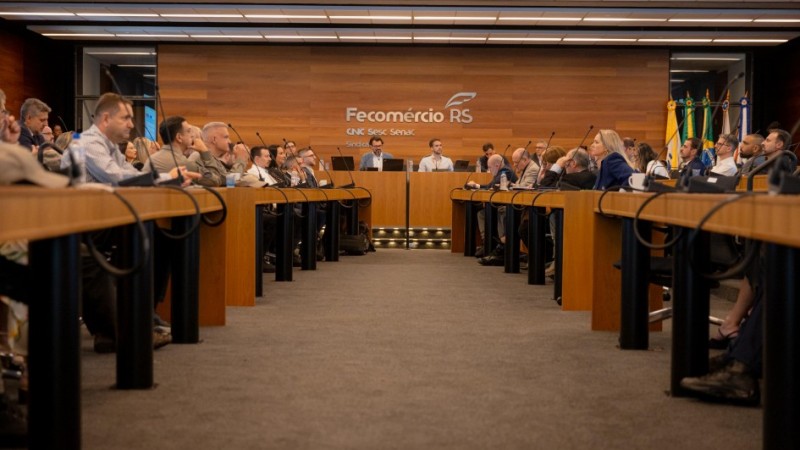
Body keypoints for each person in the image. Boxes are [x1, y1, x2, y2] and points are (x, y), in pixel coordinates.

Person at [62, 93, 195, 185]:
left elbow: (130, 172)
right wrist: (167, 177)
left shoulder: (110, 145)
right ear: (106, 119)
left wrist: (170, 180)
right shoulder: (88, 142)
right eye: (125, 118)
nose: (131, 125)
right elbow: (117, 177)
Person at [467, 154, 517, 266]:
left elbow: (492, 186)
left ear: (497, 165)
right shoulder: (501, 172)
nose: (489, 170)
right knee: (481, 213)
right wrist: (476, 186)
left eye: (490, 167)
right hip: (501, 204)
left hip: (509, 207)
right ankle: (487, 242)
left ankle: (501, 247)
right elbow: (491, 186)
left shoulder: (506, 172)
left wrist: (476, 185)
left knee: (500, 212)